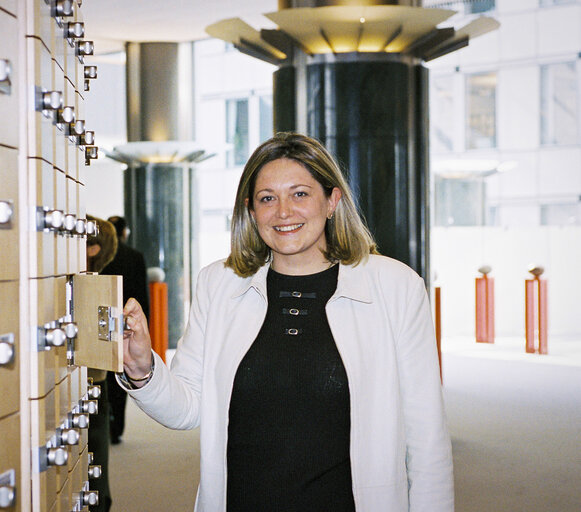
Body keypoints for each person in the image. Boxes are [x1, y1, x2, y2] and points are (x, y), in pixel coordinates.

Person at [117, 133, 454, 512]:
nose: (283, 212)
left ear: (331, 201)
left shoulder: (395, 286)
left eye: (300, 194)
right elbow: (188, 407)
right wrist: (144, 370)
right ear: (250, 210)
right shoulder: (218, 283)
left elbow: (427, 439)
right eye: (267, 198)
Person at [101, 215, 150, 444]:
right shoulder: (136, 256)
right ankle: (117, 428)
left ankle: (105, 420)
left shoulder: (99, 255)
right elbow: (142, 295)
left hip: (102, 321)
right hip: (126, 322)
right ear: (124, 232)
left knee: (104, 376)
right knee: (122, 372)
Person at [85, 216, 118, 512]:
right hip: (92, 385)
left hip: (92, 386)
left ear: (93, 249)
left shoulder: (95, 291)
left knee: (94, 459)